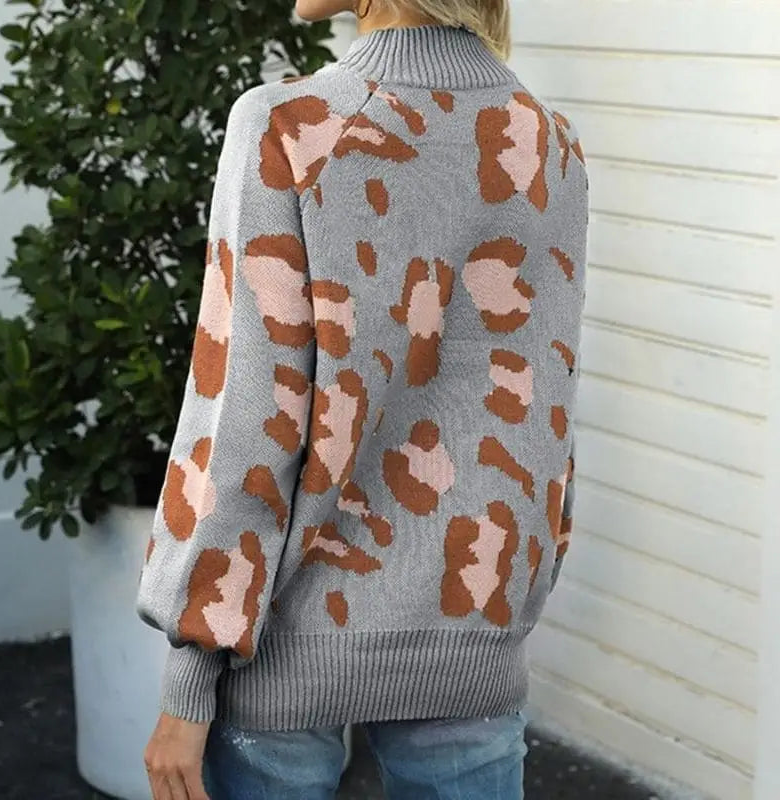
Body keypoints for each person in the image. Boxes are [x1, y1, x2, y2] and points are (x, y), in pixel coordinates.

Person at [135, 0, 589, 797]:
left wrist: (190, 675)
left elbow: (245, 417)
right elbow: (544, 415)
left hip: (286, 650)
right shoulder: (548, 141)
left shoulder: (289, 126)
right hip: (474, 638)